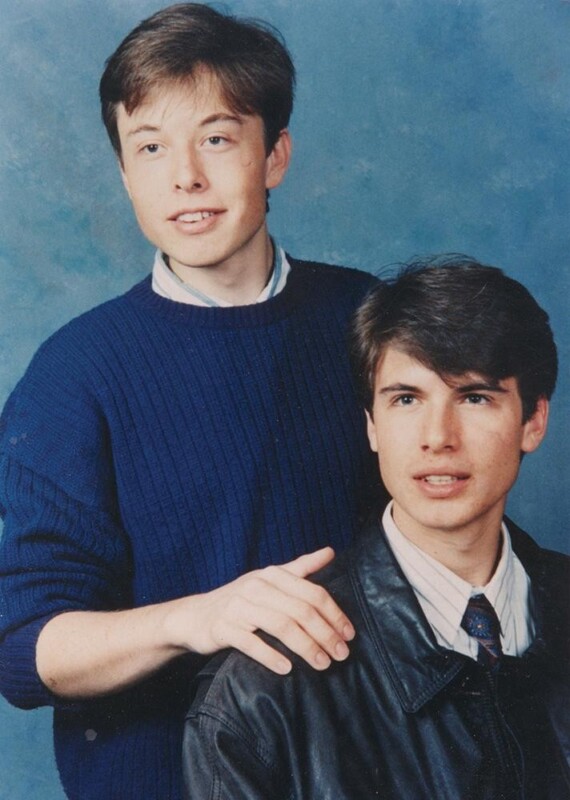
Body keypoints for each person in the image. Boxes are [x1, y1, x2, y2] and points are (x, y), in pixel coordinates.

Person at [0, 5, 382, 799]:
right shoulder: (73, 374)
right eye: (150, 147)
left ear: (274, 156)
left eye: (216, 139)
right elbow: (25, 647)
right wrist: (193, 618)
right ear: (124, 173)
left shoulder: (368, 322)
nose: (185, 179)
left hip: (365, 770)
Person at [183, 257, 570, 800]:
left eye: (474, 397)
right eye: (406, 399)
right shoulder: (262, 690)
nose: (438, 437)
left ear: (533, 421)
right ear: (371, 425)